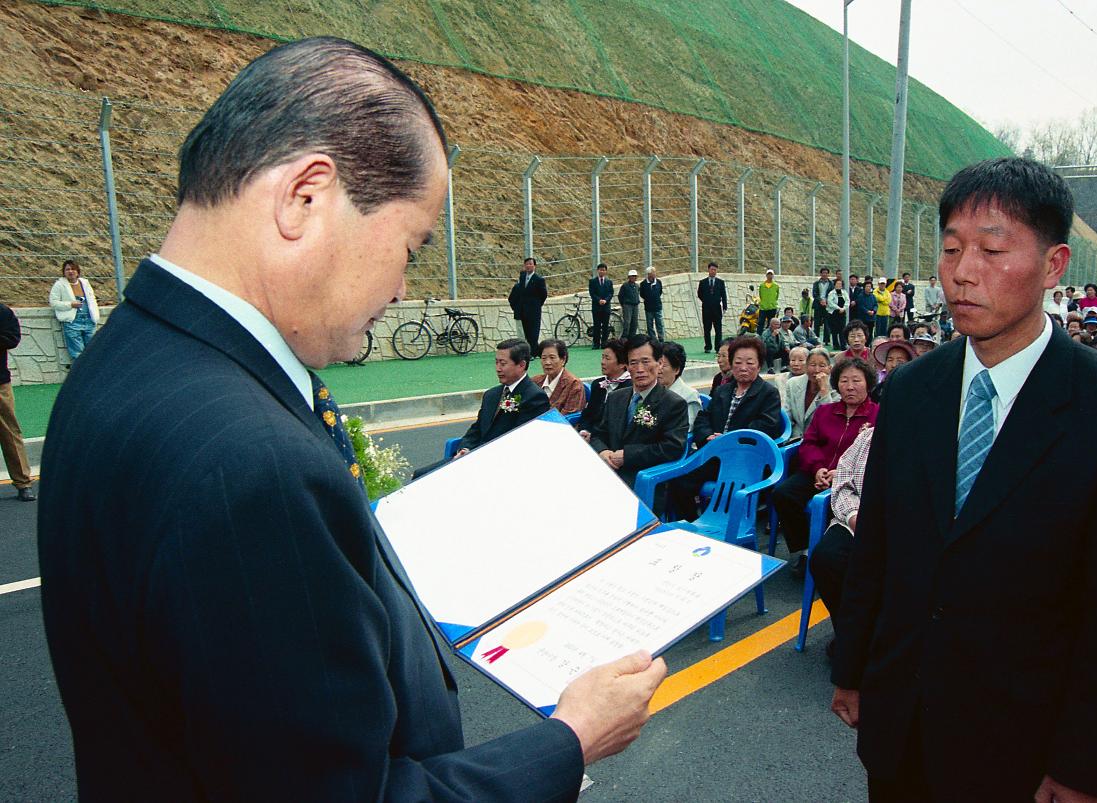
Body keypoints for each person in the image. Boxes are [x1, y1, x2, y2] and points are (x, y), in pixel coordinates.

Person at [37, 38, 665, 802]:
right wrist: (571, 738)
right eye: (409, 246)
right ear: (306, 196)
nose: (402, 289)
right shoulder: (250, 465)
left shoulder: (121, 362)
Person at [829, 157, 1097, 802]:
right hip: (901, 727)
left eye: (992, 250)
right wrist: (852, 669)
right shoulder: (910, 391)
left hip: (1023, 746)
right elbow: (878, 545)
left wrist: (1085, 766)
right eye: (952, 249)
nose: (962, 273)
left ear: (1054, 265)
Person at [775, 356, 877, 577]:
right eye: (844, 381)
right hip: (817, 472)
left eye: (856, 381)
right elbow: (809, 442)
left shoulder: (877, 415)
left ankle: (828, 548)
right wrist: (818, 468)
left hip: (848, 481)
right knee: (783, 494)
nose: (850, 387)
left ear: (868, 383)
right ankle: (804, 549)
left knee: (831, 507)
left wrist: (839, 473)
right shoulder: (825, 411)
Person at [668, 335, 782, 521]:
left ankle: (729, 530)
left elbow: (766, 425)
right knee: (679, 480)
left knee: (732, 493)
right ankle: (692, 524)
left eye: (749, 362)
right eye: (738, 362)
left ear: (759, 364)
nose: (743, 367)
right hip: (716, 454)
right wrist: (708, 437)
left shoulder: (768, 393)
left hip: (746, 459)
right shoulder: (723, 390)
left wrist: (729, 439)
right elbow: (703, 418)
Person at [584, 334, 688, 487]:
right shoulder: (615, 398)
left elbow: (672, 448)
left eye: (646, 362)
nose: (640, 369)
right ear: (627, 366)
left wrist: (628, 455)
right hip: (607, 471)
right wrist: (603, 452)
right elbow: (599, 433)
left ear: (659, 363)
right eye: (633, 363)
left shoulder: (674, 404)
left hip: (644, 478)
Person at [808, 422, 874, 625]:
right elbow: (843, 482)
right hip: (855, 518)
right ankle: (848, 631)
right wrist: (853, 515)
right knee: (826, 559)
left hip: (899, 525)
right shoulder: (867, 437)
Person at [449, 339, 550, 460]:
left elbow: (520, 442)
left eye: (503, 363)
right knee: (420, 474)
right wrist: (465, 449)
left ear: (522, 365)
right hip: (472, 456)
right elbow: (477, 428)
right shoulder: (491, 395)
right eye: (496, 363)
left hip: (499, 461)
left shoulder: (534, 397)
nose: (498, 368)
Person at [0, 302, 36, 501]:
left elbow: (13, 338)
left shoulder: (3, 312)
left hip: (0, 383)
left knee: (9, 432)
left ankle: (23, 482)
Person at [49, 258, 101, 364]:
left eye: (73, 269)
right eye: (67, 269)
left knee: (93, 351)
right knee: (78, 354)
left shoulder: (85, 283)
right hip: (72, 322)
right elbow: (53, 302)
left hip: (89, 321)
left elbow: (92, 299)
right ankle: (81, 377)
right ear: (64, 272)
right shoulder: (59, 285)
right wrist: (70, 304)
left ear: (78, 272)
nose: (70, 271)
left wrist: (95, 316)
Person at [579, 337, 631, 432]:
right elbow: (588, 414)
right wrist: (584, 431)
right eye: (602, 357)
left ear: (622, 364)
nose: (602, 362)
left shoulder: (630, 388)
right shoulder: (598, 384)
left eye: (607, 358)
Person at [784, 348, 838, 435]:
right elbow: (787, 414)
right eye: (812, 365)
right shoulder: (792, 383)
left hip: (821, 438)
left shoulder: (837, 387)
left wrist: (824, 390)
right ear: (805, 367)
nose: (817, 370)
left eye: (822, 366)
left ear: (829, 369)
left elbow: (830, 420)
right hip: (795, 437)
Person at [531, 338, 586, 415]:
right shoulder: (535, 381)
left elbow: (569, 417)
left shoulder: (574, 385)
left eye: (552, 357)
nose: (547, 362)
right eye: (543, 358)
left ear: (563, 359)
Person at [657, 341, 702, 429]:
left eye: (663, 366)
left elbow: (688, 428)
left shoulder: (689, 395)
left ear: (677, 369)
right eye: (657, 364)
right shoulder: (652, 390)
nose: (658, 370)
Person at [508, 256, 547, 347]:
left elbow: (543, 295)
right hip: (522, 310)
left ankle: (533, 352)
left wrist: (536, 305)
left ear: (534, 266)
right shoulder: (522, 277)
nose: (528, 266)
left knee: (533, 332)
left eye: (530, 264)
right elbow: (515, 295)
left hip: (533, 310)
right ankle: (526, 351)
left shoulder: (539, 280)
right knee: (523, 333)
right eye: (526, 264)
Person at [697, 262, 728, 352]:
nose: (713, 271)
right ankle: (708, 347)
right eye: (712, 269)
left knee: (718, 329)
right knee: (707, 329)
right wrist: (706, 301)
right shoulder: (703, 282)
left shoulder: (720, 282)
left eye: (715, 270)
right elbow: (699, 294)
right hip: (706, 309)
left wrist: (725, 306)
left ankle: (718, 347)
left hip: (717, 309)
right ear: (708, 270)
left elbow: (723, 295)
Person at [588, 262, 614, 348]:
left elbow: (611, 293)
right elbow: (592, 293)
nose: (602, 271)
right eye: (600, 270)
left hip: (606, 307)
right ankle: (596, 344)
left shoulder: (609, 282)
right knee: (597, 325)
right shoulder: (592, 281)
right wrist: (599, 300)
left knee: (605, 326)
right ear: (597, 271)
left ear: (606, 271)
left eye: (603, 270)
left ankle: (604, 343)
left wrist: (605, 300)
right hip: (596, 307)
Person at [640, 265, 664, 340]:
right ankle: (652, 338)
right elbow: (642, 294)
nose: (655, 273)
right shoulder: (643, 284)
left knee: (659, 323)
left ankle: (661, 337)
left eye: (654, 272)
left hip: (657, 306)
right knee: (649, 324)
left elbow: (660, 292)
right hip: (648, 307)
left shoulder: (659, 282)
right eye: (653, 272)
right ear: (649, 274)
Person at [825, 277, 849, 349]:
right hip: (833, 313)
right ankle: (835, 345)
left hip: (842, 313)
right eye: (837, 284)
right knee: (834, 330)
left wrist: (843, 308)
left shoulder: (844, 292)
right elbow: (830, 303)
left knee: (842, 329)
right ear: (834, 285)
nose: (839, 285)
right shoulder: (831, 293)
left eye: (840, 284)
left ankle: (843, 345)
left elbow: (848, 301)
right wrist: (838, 308)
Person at [813, 267, 834, 344]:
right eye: (823, 273)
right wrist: (820, 300)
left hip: (827, 305)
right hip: (818, 305)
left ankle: (826, 340)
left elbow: (832, 294)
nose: (824, 274)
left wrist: (827, 301)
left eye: (826, 273)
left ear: (828, 274)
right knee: (817, 323)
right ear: (820, 274)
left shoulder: (831, 284)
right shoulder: (816, 283)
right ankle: (816, 339)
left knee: (827, 323)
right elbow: (814, 294)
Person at [618, 269, 640, 337]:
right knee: (627, 323)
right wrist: (624, 304)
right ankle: (624, 338)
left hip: (635, 305)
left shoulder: (637, 286)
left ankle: (632, 338)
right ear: (629, 277)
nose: (634, 277)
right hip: (627, 305)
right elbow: (620, 296)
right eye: (633, 276)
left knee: (634, 323)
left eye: (635, 276)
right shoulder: (625, 285)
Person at [757, 268, 780, 333]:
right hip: (763, 307)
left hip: (772, 307)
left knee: (771, 323)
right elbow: (760, 295)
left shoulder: (776, 286)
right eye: (768, 274)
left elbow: (777, 296)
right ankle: (759, 335)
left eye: (771, 274)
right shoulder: (762, 285)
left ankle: (770, 335)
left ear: (773, 276)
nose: (770, 276)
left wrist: (773, 302)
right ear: (766, 275)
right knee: (761, 323)